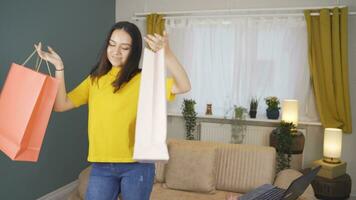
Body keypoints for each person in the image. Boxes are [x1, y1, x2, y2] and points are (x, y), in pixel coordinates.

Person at [35, 21, 191, 200]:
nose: (116, 52)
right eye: (112, 44)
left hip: (137, 165)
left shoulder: (143, 79)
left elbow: (184, 85)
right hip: (102, 165)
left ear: (134, 51)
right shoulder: (95, 80)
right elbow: (61, 105)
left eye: (124, 47)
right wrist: (59, 68)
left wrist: (167, 54)